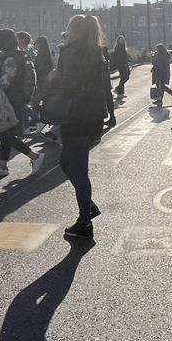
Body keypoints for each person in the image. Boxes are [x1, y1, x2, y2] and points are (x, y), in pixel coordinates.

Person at [57, 14, 111, 240]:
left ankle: (84, 221)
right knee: (70, 164)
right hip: (91, 115)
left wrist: (53, 79)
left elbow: (67, 82)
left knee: (75, 167)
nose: (66, 31)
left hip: (75, 115)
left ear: (76, 31)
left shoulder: (71, 51)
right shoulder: (95, 51)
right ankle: (87, 207)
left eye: (68, 27)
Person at [0, 28, 41, 177]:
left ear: (5, 41)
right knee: (5, 133)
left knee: (6, 133)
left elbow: (5, 82)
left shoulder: (10, 59)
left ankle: (35, 157)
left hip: (10, 100)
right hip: (13, 99)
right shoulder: (14, 56)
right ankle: (2, 166)